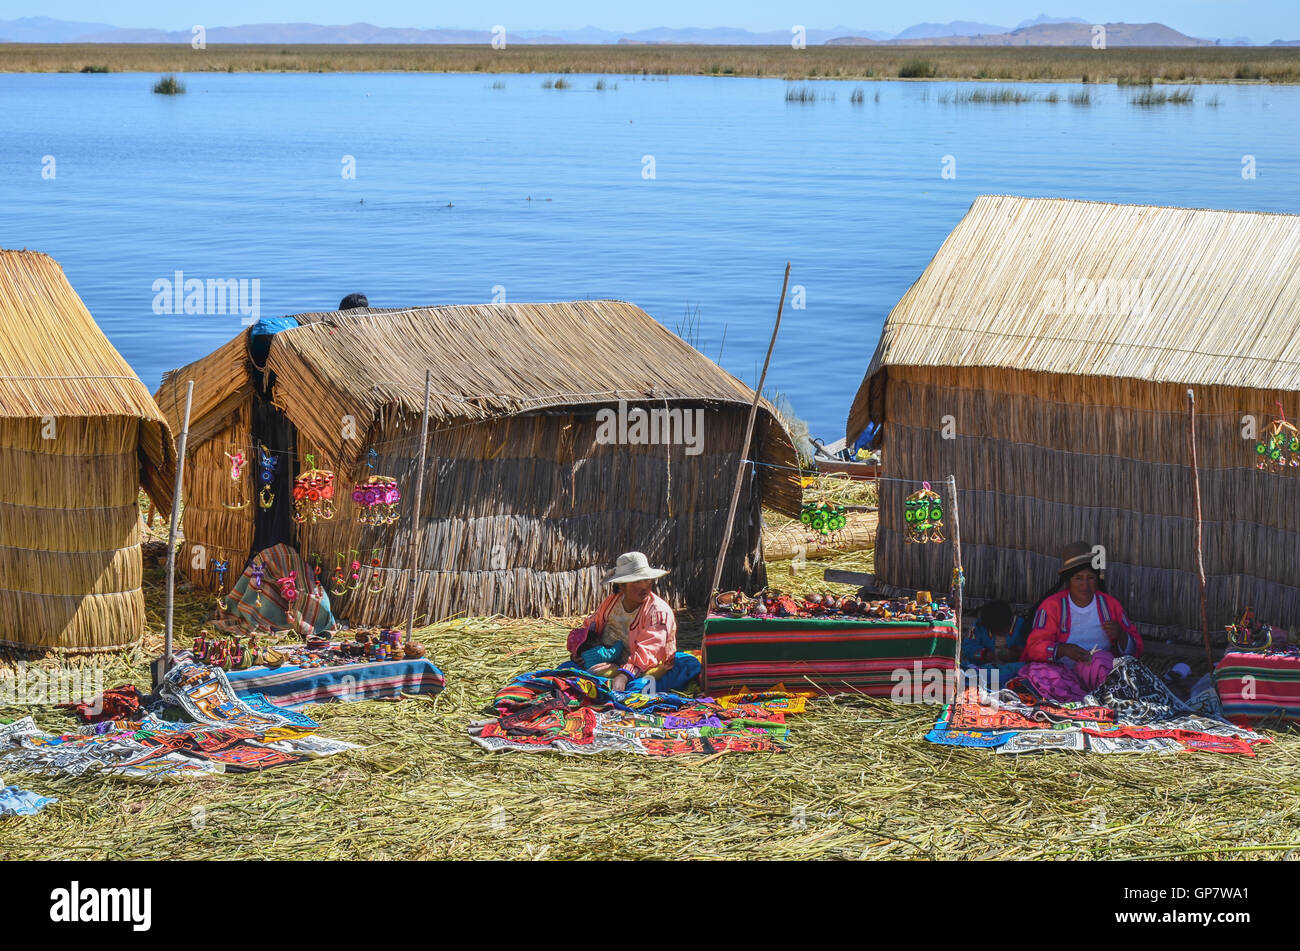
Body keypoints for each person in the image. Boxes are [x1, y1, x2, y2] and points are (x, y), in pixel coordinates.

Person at [1019, 541, 1143, 701]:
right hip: (1061, 671)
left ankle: (1096, 698)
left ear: (1097, 579)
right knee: (1040, 674)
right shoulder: (1053, 606)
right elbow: (1033, 647)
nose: (1085, 585)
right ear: (1068, 581)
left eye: (1090, 578)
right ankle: (1083, 700)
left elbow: (1136, 649)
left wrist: (1121, 634)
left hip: (1096, 671)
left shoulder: (1110, 605)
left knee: (1104, 665)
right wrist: (1063, 650)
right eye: (1078, 578)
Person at [566, 551, 698, 693]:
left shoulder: (657, 612)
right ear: (622, 586)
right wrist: (580, 652)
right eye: (636, 581)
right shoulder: (612, 602)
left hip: (646, 668)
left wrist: (625, 675)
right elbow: (592, 627)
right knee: (565, 672)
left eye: (647, 580)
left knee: (635, 691)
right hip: (609, 663)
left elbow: (650, 650)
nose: (644, 586)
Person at [962, 599, 1028, 685]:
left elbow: (1030, 650)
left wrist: (1016, 653)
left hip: (1013, 670)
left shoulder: (1022, 626)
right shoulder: (980, 627)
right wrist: (984, 654)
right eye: (996, 629)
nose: (999, 632)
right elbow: (967, 647)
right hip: (986, 668)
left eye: (1002, 629)